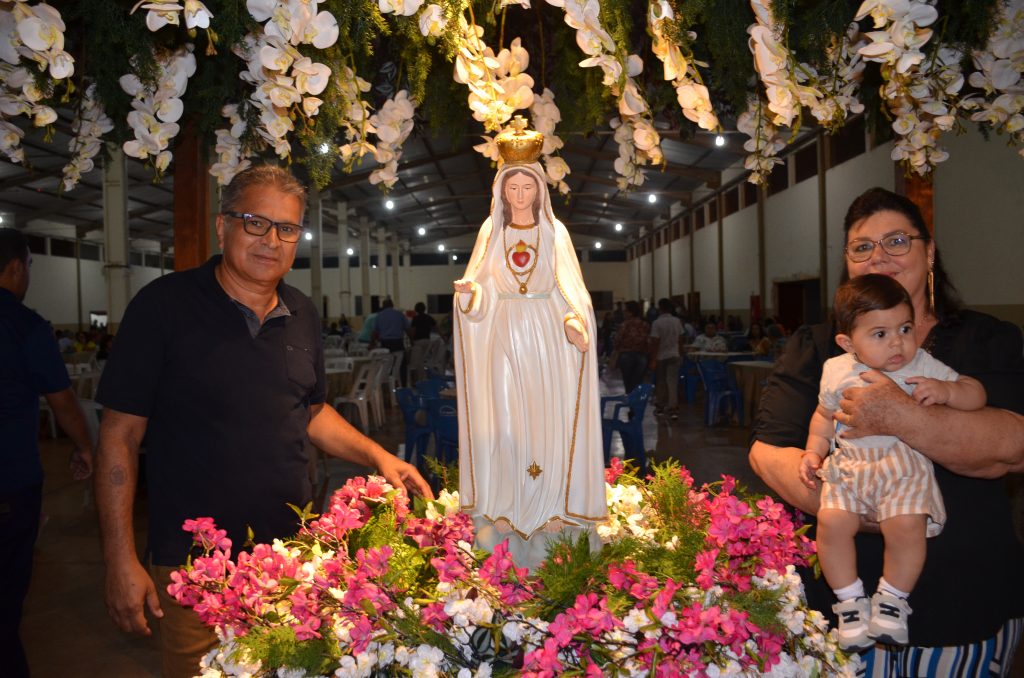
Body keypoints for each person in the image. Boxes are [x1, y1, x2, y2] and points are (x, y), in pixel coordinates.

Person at [93, 165, 432, 678]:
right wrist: (119, 557)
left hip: (289, 557)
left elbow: (311, 410)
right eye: (254, 222)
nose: (271, 240)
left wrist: (378, 455)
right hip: (193, 566)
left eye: (287, 228)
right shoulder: (163, 307)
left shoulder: (302, 312)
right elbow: (120, 434)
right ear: (222, 226)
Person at [749, 187, 1024, 675]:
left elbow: (1010, 448)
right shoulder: (817, 349)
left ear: (930, 252)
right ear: (848, 262)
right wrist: (858, 505)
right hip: (832, 609)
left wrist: (897, 416)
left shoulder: (984, 340)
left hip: (961, 600)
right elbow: (769, 453)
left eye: (897, 241)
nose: (879, 256)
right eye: (862, 246)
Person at [800, 274, 986, 650]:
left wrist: (948, 391)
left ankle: (892, 600)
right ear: (847, 342)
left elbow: (976, 394)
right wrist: (813, 450)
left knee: (906, 527)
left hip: (902, 465)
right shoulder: (836, 370)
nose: (898, 342)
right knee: (831, 523)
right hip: (851, 464)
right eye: (880, 334)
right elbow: (823, 416)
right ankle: (850, 601)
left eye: (904, 327)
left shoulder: (921, 364)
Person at [452, 119, 606, 570]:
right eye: (512, 188)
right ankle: (507, 510)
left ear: (540, 190)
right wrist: (470, 298)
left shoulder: (555, 235)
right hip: (502, 340)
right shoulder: (491, 233)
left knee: (547, 423)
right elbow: (481, 295)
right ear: (501, 191)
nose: (520, 196)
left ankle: (550, 511)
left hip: (546, 341)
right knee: (505, 423)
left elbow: (571, 291)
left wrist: (576, 323)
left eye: (527, 188)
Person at [0, 228, 93, 678]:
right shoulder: (24, 325)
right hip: (9, 481)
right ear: (17, 267)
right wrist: (84, 446)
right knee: (5, 594)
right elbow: (62, 402)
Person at [649, 298, 684, 418]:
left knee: (661, 382)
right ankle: (673, 408)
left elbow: (655, 342)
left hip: (661, 356)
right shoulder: (677, 321)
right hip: (674, 354)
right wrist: (681, 354)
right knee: (672, 382)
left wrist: (653, 359)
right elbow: (680, 339)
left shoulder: (656, 323)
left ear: (660, 309)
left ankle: (660, 407)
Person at [614, 301, 650, 396]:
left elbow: (618, 340)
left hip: (626, 355)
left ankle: (631, 405)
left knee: (628, 382)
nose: (624, 313)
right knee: (638, 381)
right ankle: (637, 404)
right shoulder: (644, 324)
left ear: (630, 312)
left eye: (625, 311)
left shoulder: (625, 325)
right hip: (642, 355)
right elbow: (648, 340)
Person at [406, 301, 437, 385]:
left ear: (416, 309)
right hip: (427, 341)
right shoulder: (428, 317)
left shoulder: (415, 318)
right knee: (422, 361)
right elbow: (435, 327)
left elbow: (413, 330)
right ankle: (424, 379)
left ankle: (418, 381)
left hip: (418, 342)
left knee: (415, 363)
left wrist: (411, 340)